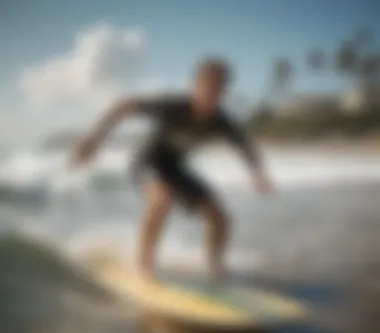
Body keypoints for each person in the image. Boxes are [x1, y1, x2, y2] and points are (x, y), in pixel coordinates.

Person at [70, 57, 274, 283]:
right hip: (148, 163)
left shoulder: (221, 121)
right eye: (206, 87)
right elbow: (123, 105)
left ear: (224, 92)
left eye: (217, 89)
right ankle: (143, 268)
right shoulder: (173, 107)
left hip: (175, 168)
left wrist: (258, 174)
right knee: (161, 200)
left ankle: (216, 270)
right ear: (194, 86)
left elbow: (245, 146)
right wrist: (93, 140)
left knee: (219, 218)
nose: (210, 95)